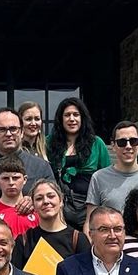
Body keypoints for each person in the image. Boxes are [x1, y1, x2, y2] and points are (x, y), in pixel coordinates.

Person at [0, 107, 53, 209]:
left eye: (13, 129)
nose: (8, 134)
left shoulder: (41, 167)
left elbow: (53, 200)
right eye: (2, 130)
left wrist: (35, 200)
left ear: (22, 132)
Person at [47, 97, 110, 231]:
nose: (72, 119)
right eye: (67, 115)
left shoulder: (96, 143)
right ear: (60, 119)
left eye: (76, 115)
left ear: (82, 118)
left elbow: (107, 177)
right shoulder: (49, 143)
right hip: (58, 208)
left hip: (88, 209)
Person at [85, 122, 138, 221]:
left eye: (133, 141)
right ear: (113, 145)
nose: (128, 146)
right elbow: (90, 221)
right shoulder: (98, 178)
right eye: (122, 142)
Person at [0, 155, 39, 238]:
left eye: (15, 178)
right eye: (5, 178)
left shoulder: (38, 210)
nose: (11, 182)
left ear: (25, 180)